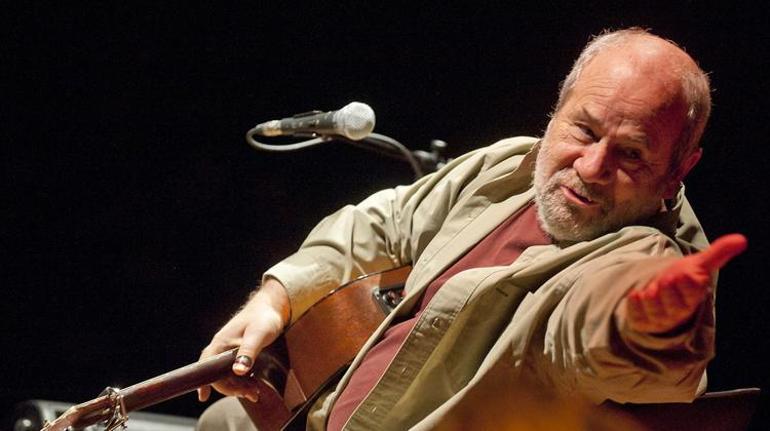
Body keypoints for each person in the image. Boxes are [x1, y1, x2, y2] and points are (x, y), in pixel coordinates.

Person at [195, 28, 747, 430]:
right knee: (222, 419)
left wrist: (645, 328)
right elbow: (385, 222)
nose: (591, 166)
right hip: (323, 411)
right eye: (583, 130)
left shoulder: (650, 256)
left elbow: (596, 341)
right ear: (556, 111)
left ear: (679, 169)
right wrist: (274, 300)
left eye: (631, 154)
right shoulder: (511, 164)